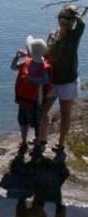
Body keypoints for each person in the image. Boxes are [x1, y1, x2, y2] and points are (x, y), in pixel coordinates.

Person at [36, 4, 86, 155]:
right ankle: (41, 136)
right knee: (42, 111)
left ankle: (61, 143)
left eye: (67, 19)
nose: (63, 21)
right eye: (61, 17)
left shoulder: (74, 35)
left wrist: (73, 11)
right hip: (52, 80)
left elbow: (82, 24)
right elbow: (45, 54)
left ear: (71, 21)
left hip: (68, 81)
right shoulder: (52, 34)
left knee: (65, 114)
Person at [11, 36, 52, 152]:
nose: (26, 49)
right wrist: (17, 57)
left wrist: (31, 79)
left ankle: (37, 141)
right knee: (23, 120)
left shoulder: (43, 67)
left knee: (36, 122)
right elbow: (13, 67)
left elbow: (45, 80)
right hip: (23, 98)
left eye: (28, 49)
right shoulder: (26, 62)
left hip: (34, 100)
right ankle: (24, 141)